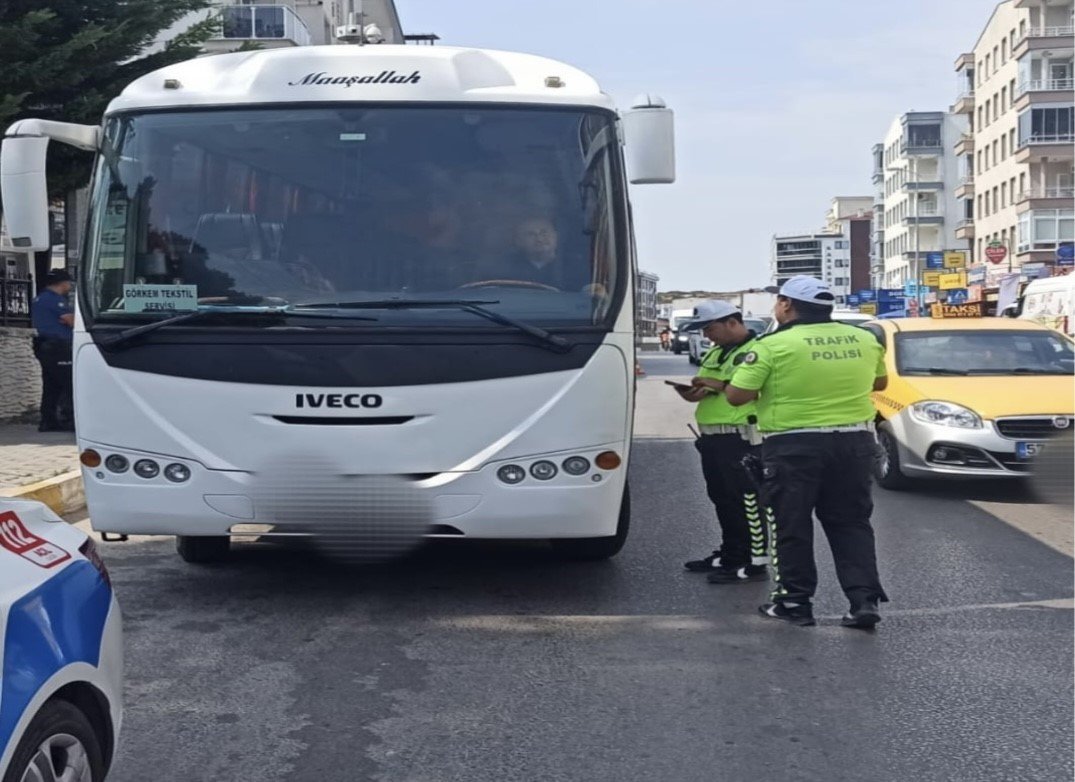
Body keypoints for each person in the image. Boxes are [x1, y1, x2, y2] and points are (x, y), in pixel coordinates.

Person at [725, 276, 888, 629]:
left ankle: (794, 601)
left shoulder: (772, 345)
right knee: (852, 523)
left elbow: (736, 396)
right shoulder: (865, 339)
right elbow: (879, 382)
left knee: (792, 523)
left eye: (778, 300)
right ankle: (863, 601)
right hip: (855, 442)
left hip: (793, 445)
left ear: (786, 305)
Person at [677, 301, 769, 583]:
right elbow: (709, 388)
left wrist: (713, 383)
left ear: (732, 322)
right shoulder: (716, 352)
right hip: (713, 437)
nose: (707, 335)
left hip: (741, 438)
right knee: (722, 499)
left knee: (747, 502)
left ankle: (754, 562)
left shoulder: (757, 351)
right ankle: (731, 553)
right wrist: (693, 392)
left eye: (710, 328)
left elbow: (751, 390)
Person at [30, 270, 75, 432]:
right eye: (68, 283)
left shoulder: (39, 298)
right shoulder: (56, 300)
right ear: (62, 283)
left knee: (51, 384)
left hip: (44, 345)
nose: (70, 286)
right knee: (69, 383)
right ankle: (69, 418)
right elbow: (72, 321)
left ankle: (48, 420)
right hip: (59, 346)